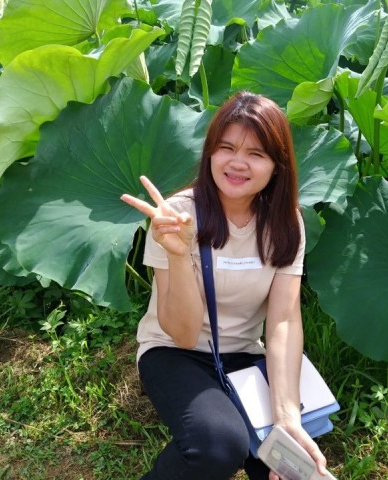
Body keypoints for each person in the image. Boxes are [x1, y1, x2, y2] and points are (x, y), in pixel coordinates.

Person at [121, 91, 328, 480]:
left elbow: (284, 321)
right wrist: (179, 255)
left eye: (256, 153)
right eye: (227, 148)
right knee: (218, 446)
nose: (237, 163)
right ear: (210, 153)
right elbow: (182, 334)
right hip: (174, 353)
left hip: (243, 355)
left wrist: (287, 416)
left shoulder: (287, 223)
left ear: (277, 166)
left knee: (287, 463)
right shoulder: (177, 217)